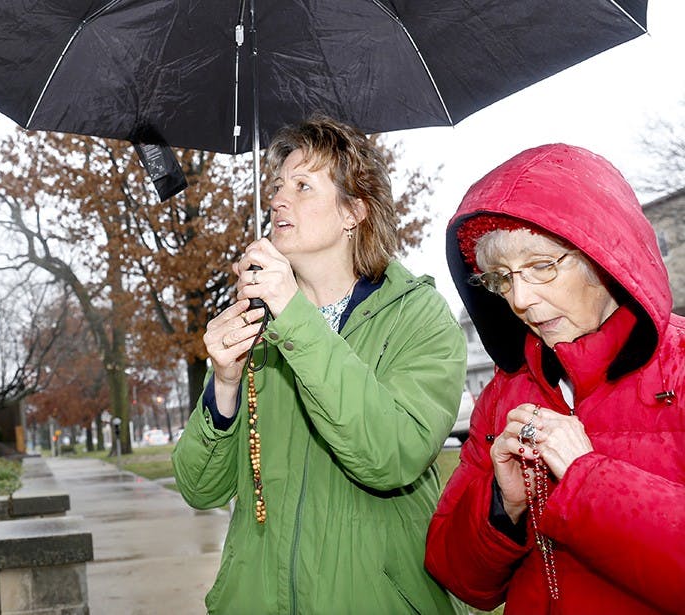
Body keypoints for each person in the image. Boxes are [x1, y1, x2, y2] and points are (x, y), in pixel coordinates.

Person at [172, 116, 466, 614]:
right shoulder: (255, 329)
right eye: (278, 185)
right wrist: (222, 385)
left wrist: (295, 317)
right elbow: (201, 488)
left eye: (303, 186)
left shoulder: (418, 316)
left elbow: (391, 455)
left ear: (354, 210)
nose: (278, 199)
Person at [425, 143, 685, 614]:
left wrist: (588, 481)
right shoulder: (506, 392)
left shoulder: (681, 366)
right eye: (501, 278)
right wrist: (503, 507)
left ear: (602, 254)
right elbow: (458, 576)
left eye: (542, 267)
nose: (519, 299)